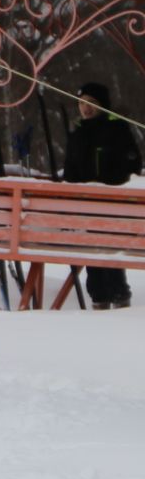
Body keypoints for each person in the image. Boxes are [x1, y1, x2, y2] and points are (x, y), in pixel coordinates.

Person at [63, 81, 142, 310]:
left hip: (113, 205)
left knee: (108, 250)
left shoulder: (117, 129)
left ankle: (118, 297)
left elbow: (132, 163)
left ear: (103, 105)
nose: (86, 108)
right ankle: (98, 298)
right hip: (86, 207)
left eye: (92, 103)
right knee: (92, 253)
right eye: (81, 103)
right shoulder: (78, 133)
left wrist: (109, 183)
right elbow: (70, 170)